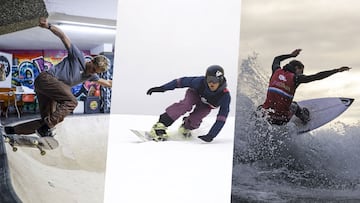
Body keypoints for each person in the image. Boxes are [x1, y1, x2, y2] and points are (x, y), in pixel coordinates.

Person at [33, 17, 112, 137]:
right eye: (93, 69)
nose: (92, 73)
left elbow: (107, 83)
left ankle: (12, 131)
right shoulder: (77, 56)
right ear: (91, 61)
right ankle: (45, 129)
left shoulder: (91, 76)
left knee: (48, 118)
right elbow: (63, 37)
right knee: (71, 101)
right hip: (47, 79)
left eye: (96, 72)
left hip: (48, 89)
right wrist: (48, 26)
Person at [261, 49, 350, 125]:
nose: (302, 74)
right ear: (297, 68)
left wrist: (291, 55)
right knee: (294, 105)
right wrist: (337, 70)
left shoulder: (276, 71)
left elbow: (277, 59)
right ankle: (305, 118)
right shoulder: (295, 78)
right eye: (301, 71)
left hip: (266, 118)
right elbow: (317, 76)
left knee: (261, 108)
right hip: (281, 120)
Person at [146, 65, 231, 142]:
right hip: (195, 94)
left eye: (215, 80)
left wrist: (211, 135)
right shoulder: (200, 82)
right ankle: (160, 125)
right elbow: (180, 82)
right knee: (186, 105)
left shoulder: (224, 96)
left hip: (207, 105)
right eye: (209, 79)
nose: (211, 83)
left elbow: (221, 118)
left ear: (220, 80)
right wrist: (162, 88)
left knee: (196, 119)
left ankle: (186, 127)